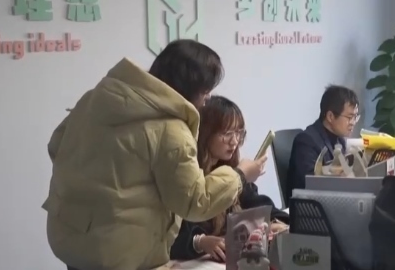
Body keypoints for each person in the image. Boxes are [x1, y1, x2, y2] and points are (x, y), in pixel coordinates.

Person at [42, 40, 268, 270]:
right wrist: (239, 176)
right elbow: (195, 201)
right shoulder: (170, 128)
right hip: (118, 251)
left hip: (71, 232)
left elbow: (56, 145)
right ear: (190, 88)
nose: (207, 98)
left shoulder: (97, 99)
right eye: (205, 91)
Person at [170, 95, 289, 262]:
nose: (234, 141)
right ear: (206, 133)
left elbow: (257, 203)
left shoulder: (229, 169)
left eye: (238, 133)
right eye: (226, 133)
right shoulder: (189, 172)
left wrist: (273, 222)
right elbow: (175, 236)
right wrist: (200, 242)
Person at [285, 85, 360, 201]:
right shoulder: (306, 141)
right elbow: (310, 184)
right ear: (330, 116)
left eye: (355, 117)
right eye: (350, 117)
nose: (353, 122)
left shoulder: (340, 140)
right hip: (310, 206)